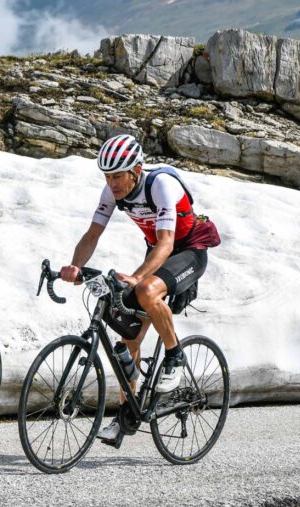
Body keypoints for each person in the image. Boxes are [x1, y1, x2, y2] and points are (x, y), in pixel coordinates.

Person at [59, 134, 220, 444]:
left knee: (145, 290)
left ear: (136, 169)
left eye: (117, 175)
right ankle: (126, 415)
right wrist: (75, 266)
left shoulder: (160, 184)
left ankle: (174, 356)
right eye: (107, 176)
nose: (112, 183)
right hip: (158, 250)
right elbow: (92, 234)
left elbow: (167, 243)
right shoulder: (112, 192)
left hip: (189, 248)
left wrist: (135, 278)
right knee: (129, 333)